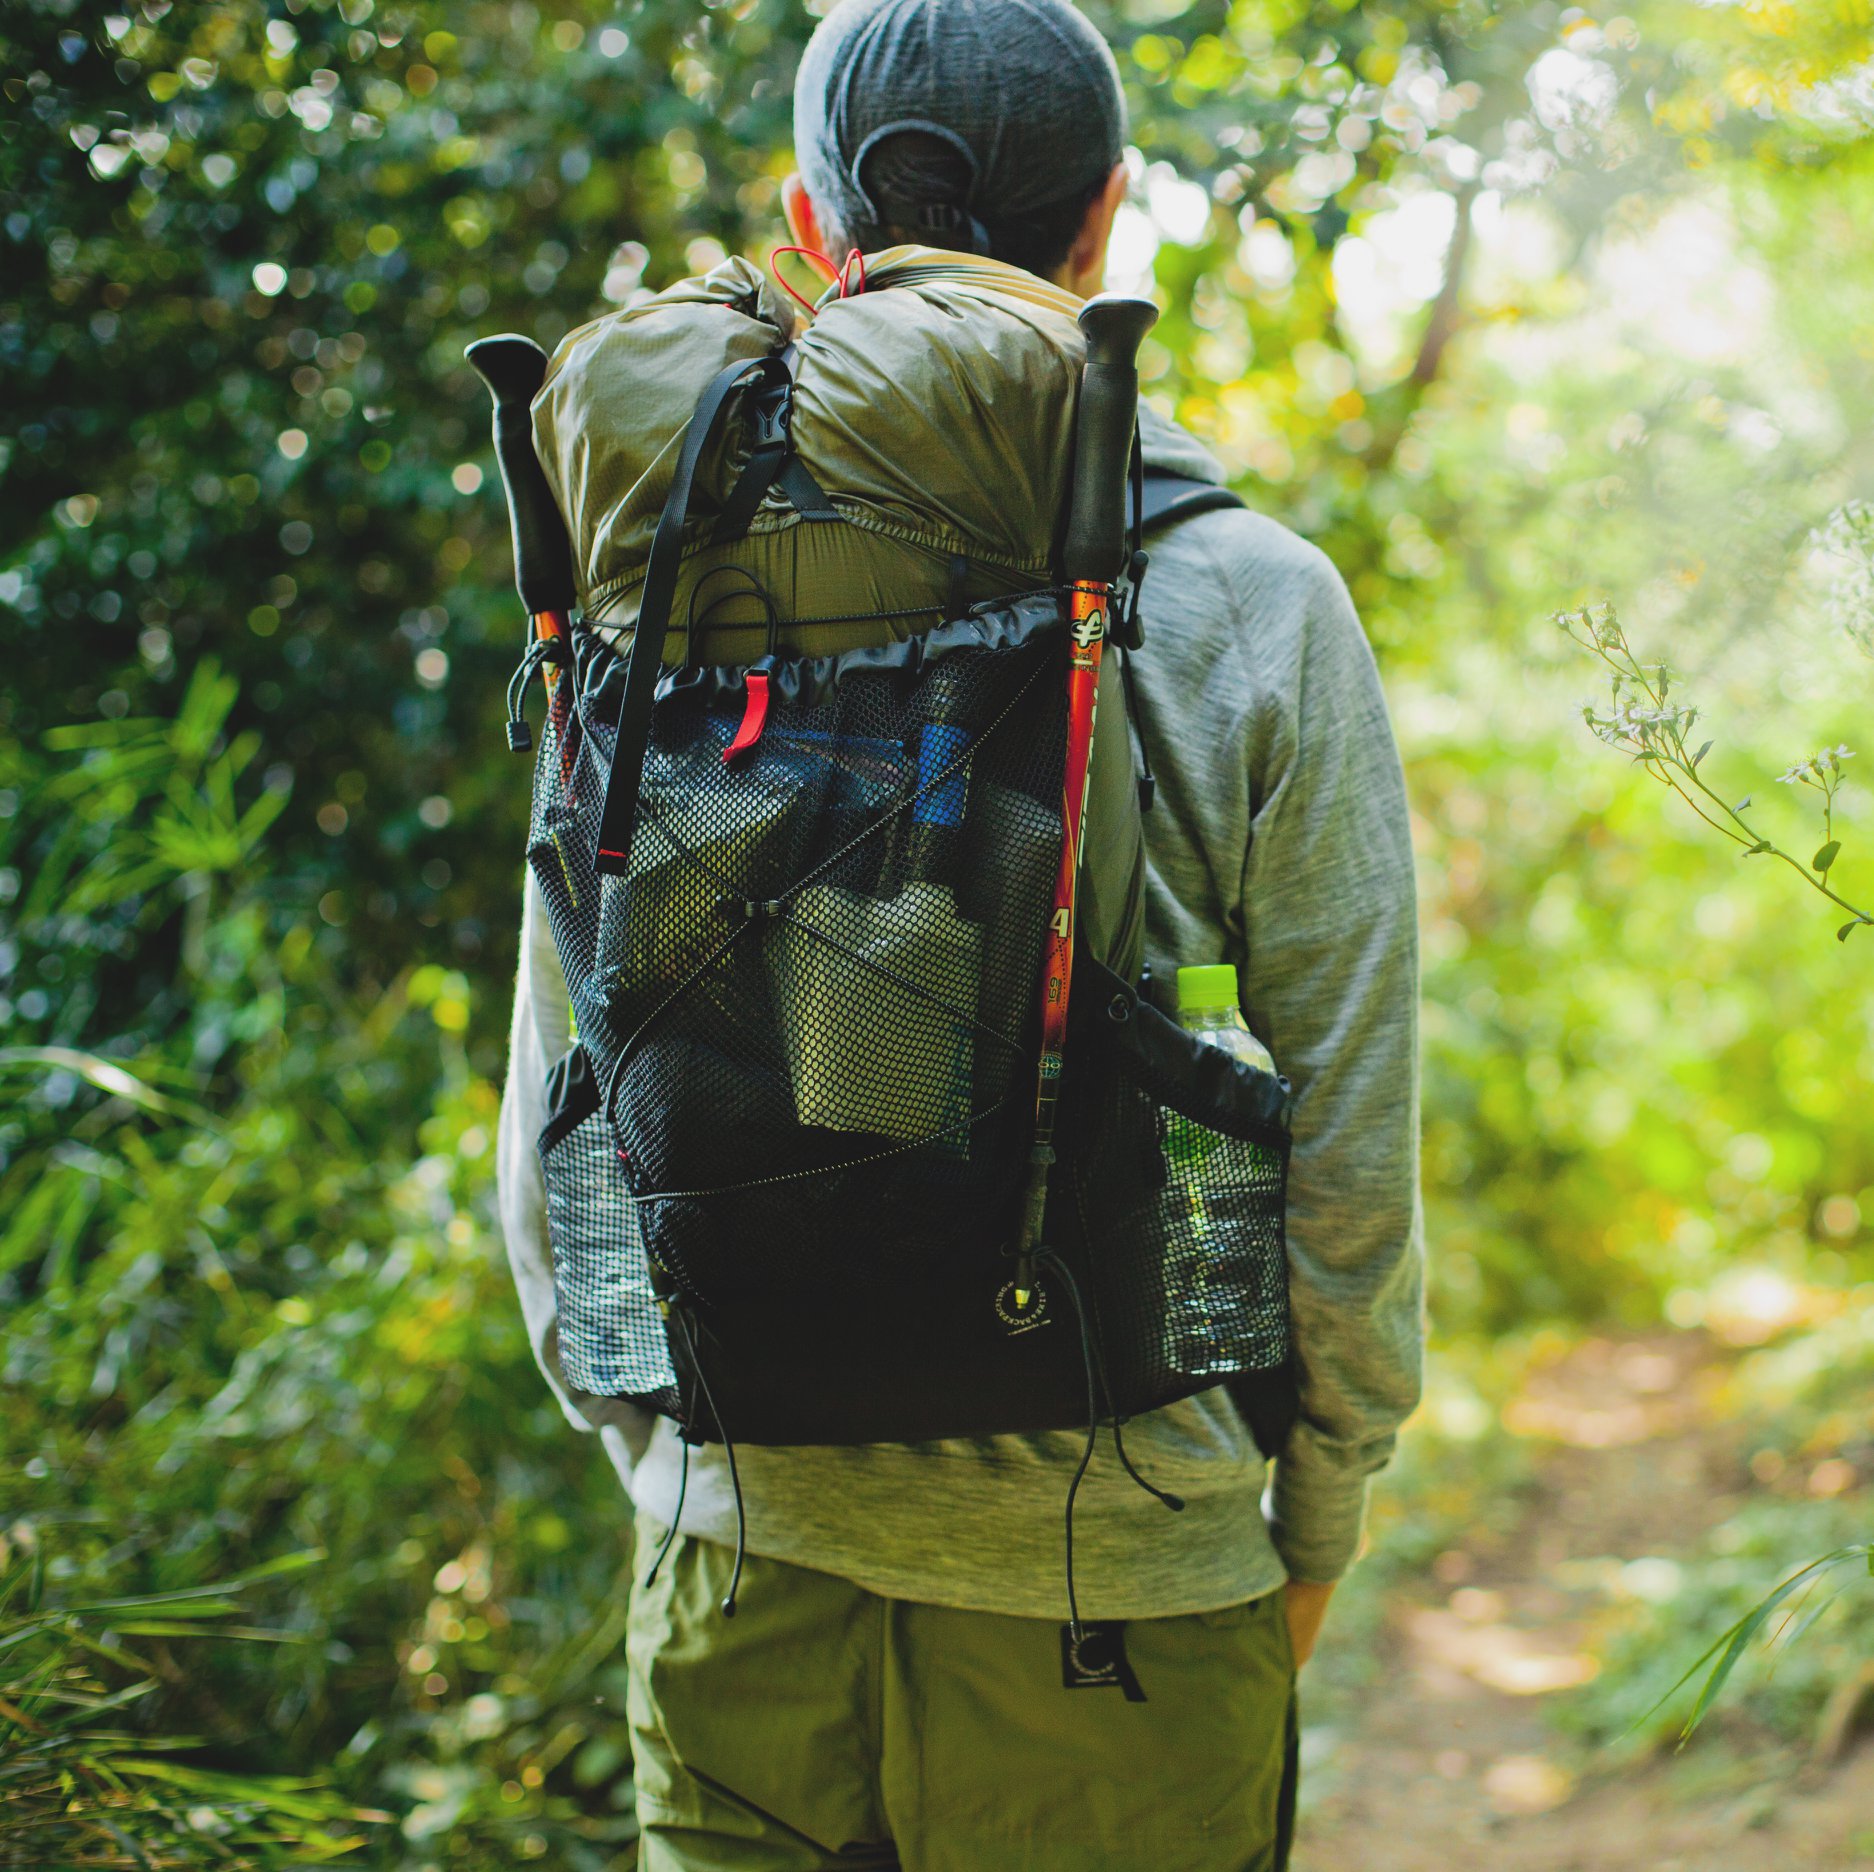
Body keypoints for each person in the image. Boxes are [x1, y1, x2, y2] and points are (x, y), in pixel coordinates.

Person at [496, 0, 1423, 1864]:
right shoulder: (1250, 596)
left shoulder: (658, 573)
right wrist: (1302, 1527)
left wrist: (687, 1474)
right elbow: (1344, 1148)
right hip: (1127, 1611)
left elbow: (550, 1148)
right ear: (1104, 228)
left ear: (809, 229)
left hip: (741, 1596)